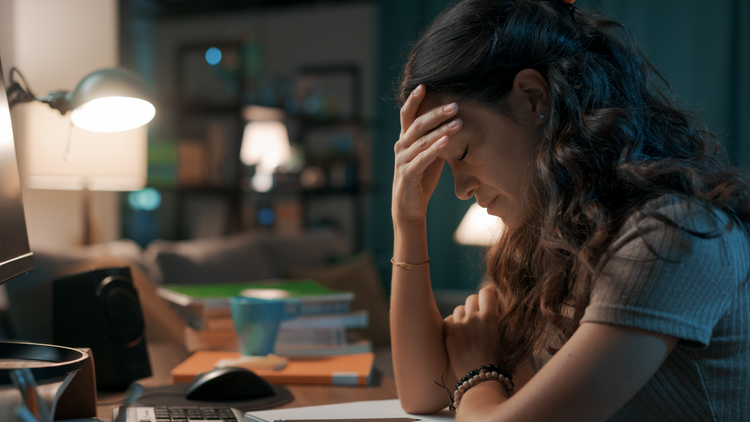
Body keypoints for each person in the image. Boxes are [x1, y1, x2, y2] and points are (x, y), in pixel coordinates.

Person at [389, 0, 750, 421]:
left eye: (463, 152)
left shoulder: (674, 234)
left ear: (532, 97)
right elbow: (422, 392)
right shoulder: (552, 233)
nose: (461, 188)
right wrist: (408, 221)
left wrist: (477, 375)